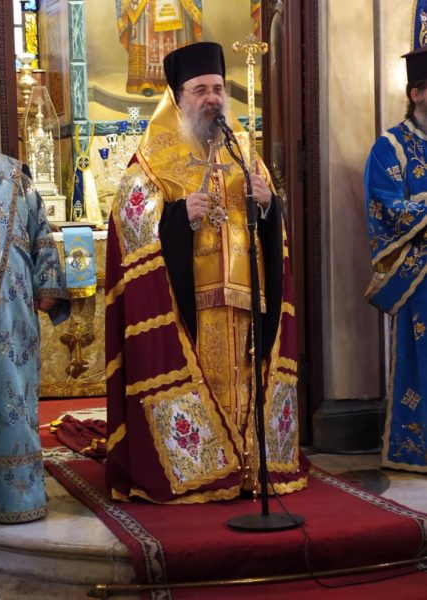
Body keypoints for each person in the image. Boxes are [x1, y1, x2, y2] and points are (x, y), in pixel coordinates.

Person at [105, 42, 307, 503]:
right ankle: (207, 470)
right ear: (178, 98)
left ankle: (250, 465)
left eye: (217, 88)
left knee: (244, 384)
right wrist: (178, 217)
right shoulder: (152, 159)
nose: (212, 98)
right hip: (190, 307)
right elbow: (130, 227)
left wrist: (268, 206)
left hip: (246, 299)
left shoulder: (243, 150)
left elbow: (270, 223)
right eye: (200, 90)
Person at [0, 116, 70, 530]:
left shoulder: (11, 173)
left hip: (7, 312)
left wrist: (47, 284)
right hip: (4, 306)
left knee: (10, 397)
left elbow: (40, 233)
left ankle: (15, 498)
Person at [364, 45, 427, 473]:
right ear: (416, 93)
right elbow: (387, 205)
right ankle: (416, 449)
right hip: (420, 275)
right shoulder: (390, 146)